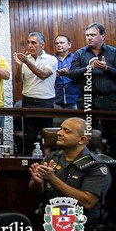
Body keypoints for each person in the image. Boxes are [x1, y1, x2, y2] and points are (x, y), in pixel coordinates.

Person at [29, 117, 111, 231]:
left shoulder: (96, 167)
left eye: (66, 131)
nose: (59, 133)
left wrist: (52, 179)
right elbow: (36, 191)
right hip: (50, 230)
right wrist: (37, 183)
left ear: (82, 140)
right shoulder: (52, 157)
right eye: (60, 128)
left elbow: (87, 201)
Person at [68, 22, 116, 154]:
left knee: (113, 136)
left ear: (102, 36)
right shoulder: (80, 53)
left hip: (109, 101)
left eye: (93, 35)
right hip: (87, 100)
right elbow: (72, 75)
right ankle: (87, 162)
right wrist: (88, 68)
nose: (89, 38)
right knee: (86, 137)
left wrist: (106, 68)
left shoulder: (113, 52)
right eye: (87, 35)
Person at [15, 32, 58, 155]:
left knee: (47, 135)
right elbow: (18, 80)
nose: (30, 45)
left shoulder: (51, 59)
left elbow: (43, 75)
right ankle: (29, 160)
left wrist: (26, 62)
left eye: (33, 43)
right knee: (29, 136)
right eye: (28, 42)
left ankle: (48, 160)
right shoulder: (25, 60)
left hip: (45, 102)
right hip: (28, 100)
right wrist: (20, 65)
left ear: (42, 45)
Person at [53, 34, 77, 109]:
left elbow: (82, 76)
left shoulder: (76, 58)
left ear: (69, 45)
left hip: (74, 100)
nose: (59, 45)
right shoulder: (50, 59)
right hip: (55, 100)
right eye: (57, 43)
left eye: (62, 43)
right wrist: (53, 75)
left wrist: (68, 74)